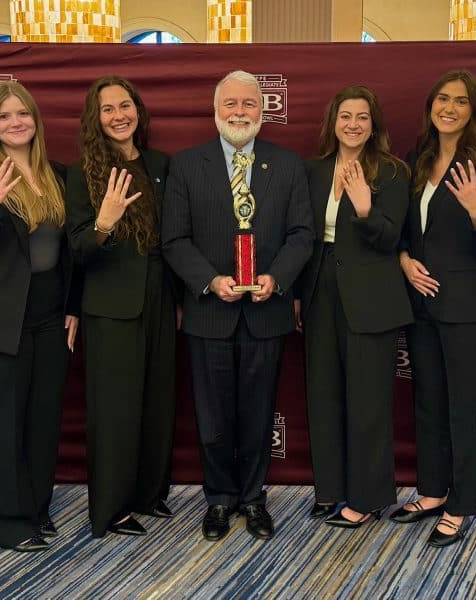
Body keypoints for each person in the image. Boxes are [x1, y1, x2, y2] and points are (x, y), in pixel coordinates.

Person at [162, 70, 314, 542]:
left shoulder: (287, 165)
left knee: (257, 416)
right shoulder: (187, 165)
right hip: (210, 313)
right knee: (212, 420)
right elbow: (174, 239)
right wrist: (209, 280)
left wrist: (277, 277)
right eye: (231, 104)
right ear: (216, 110)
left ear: (263, 111)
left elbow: (302, 235)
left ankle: (253, 499)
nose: (240, 112)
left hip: (265, 314)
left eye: (249, 104)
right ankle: (218, 500)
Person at [0, 81, 80, 552]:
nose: (16, 122)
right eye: (5, 116)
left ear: (35, 120)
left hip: (49, 320)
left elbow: (69, 253)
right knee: (3, 425)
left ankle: (36, 509)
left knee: (43, 422)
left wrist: (72, 309)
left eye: (23, 113)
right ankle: (6, 521)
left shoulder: (58, 175)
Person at [392, 70, 476, 546]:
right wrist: (403, 261)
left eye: (461, 102)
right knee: (428, 403)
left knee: (462, 408)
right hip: (420, 304)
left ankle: (461, 504)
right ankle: (432, 491)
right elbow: (400, 230)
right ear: (431, 106)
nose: (450, 108)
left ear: (473, 112)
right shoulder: (414, 161)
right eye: (443, 99)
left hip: (466, 308)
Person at [65, 76, 177, 538]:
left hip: (160, 298)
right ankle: (110, 508)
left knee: (157, 402)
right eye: (108, 108)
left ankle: (148, 494)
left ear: (138, 111)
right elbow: (77, 252)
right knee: (115, 411)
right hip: (110, 306)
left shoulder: (161, 165)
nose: (118, 115)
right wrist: (105, 223)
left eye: (125, 105)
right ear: (96, 118)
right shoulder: (81, 172)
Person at [297, 85, 412, 529]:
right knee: (323, 396)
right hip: (320, 289)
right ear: (333, 122)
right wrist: (296, 295)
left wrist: (365, 208)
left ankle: (367, 497)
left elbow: (391, 238)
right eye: (345, 115)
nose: (353, 124)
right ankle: (330, 489)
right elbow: (302, 237)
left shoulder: (392, 172)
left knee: (368, 402)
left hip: (371, 296)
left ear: (374, 123)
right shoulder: (313, 171)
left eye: (362, 116)